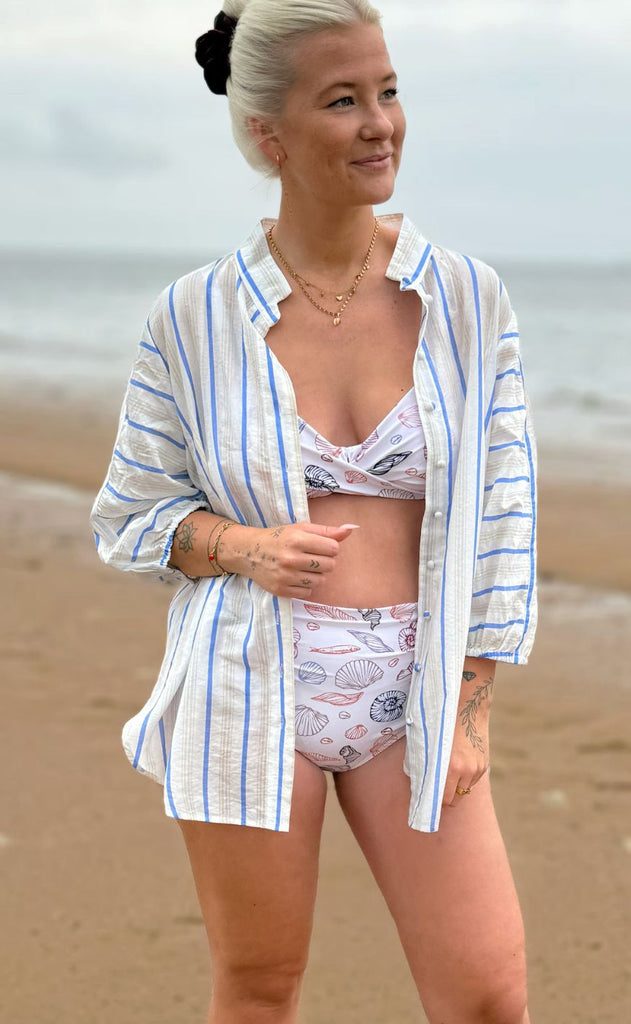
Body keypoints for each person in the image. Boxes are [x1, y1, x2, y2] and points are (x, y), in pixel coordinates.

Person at [90, 1, 538, 1021]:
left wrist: (468, 712)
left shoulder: (466, 300)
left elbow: (505, 518)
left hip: (414, 688)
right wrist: (241, 545)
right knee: (258, 987)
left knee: (485, 996)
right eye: (342, 100)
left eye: (388, 91)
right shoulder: (192, 318)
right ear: (269, 135)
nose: (380, 123)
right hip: (248, 683)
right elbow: (131, 513)